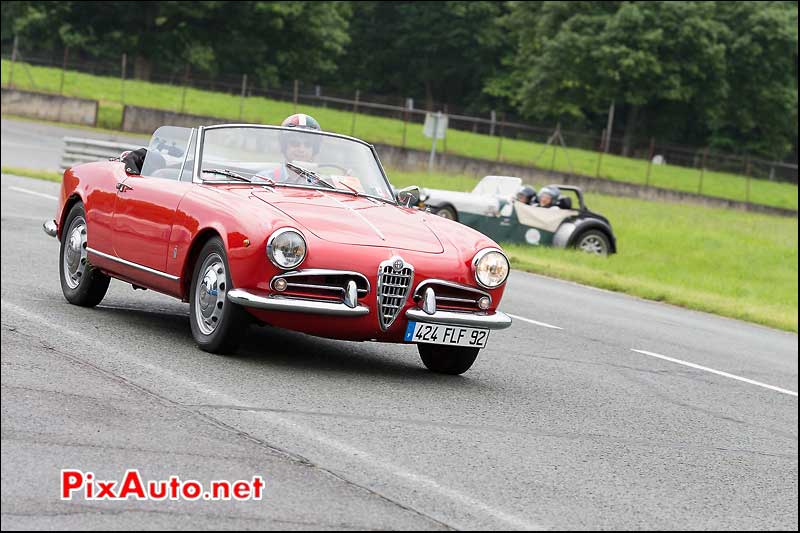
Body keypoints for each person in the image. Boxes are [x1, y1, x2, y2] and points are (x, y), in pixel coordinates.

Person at [268, 113, 324, 184]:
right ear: (284, 146)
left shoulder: (322, 184)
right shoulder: (265, 178)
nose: (301, 149)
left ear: (315, 149)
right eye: (295, 144)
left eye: (308, 145)